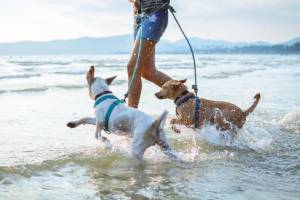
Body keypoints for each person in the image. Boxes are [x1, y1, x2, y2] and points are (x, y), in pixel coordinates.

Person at [127, 0, 171, 108]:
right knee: (148, 72)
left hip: (155, 13)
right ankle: (189, 99)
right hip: (139, 16)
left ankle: (131, 117)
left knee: (132, 68)